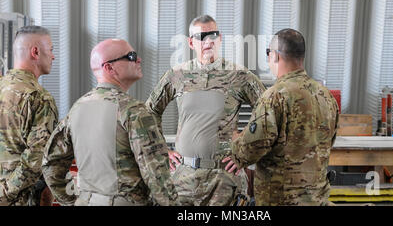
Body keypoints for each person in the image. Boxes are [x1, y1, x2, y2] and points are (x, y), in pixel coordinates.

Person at [146, 15, 266, 206]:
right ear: (191, 42)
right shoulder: (177, 76)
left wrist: (244, 152)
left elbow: (267, 115)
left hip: (224, 179)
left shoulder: (240, 76)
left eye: (213, 35)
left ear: (220, 38)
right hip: (184, 178)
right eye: (201, 36)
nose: (208, 41)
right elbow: (149, 112)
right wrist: (161, 150)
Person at [42, 39, 178, 206]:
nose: (138, 59)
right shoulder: (133, 111)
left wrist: (73, 200)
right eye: (131, 56)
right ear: (109, 67)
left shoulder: (77, 109)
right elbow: (158, 178)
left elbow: (51, 164)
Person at [229, 29, 339, 206]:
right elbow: (328, 142)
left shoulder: (274, 97)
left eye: (268, 53)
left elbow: (249, 151)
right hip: (317, 200)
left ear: (275, 56)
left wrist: (235, 139)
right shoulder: (326, 96)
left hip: (281, 200)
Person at [0, 26, 59, 206]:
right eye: (50, 50)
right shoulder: (39, 98)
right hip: (18, 199)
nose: (53, 56)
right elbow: (36, 160)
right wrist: (5, 195)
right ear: (35, 52)